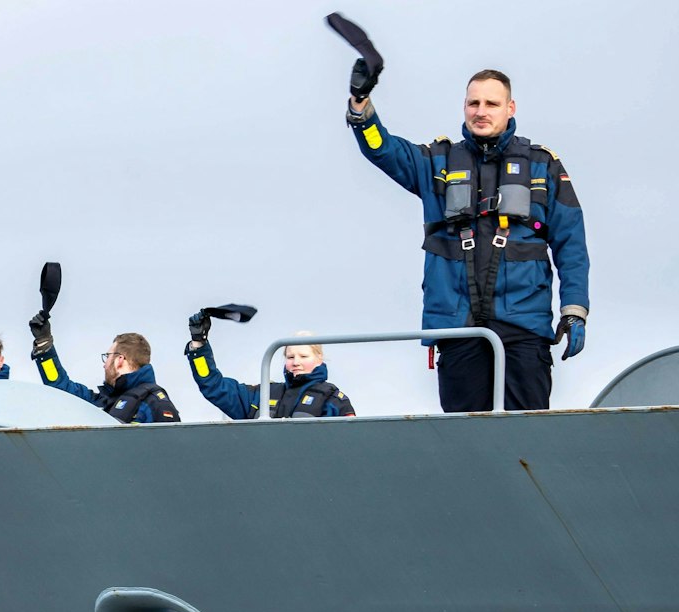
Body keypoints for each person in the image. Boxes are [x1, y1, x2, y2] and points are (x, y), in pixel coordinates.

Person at [346, 66, 588, 411]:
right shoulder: (437, 162)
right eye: (474, 103)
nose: (481, 111)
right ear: (464, 107)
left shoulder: (542, 165)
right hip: (457, 326)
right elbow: (380, 149)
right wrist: (360, 104)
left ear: (510, 108)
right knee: (464, 434)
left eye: (492, 103)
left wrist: (574, 310)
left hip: (523, 326)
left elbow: (571, 243)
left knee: (528, 431)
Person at [186, 318, 355, 420]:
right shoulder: (262, 394)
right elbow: (213, 386)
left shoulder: (334, 400)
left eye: (304, 356)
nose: (296, 362)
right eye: (290, 357)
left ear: (319, 359)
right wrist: (199, 345)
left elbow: (350, 446)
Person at [28, 315, 180, 423]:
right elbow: (61, 388)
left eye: (107, 357)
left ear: (119, 360)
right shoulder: (103, 402)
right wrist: (44, 344)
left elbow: (173, 452)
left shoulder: (157, 404)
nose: (104, 364)